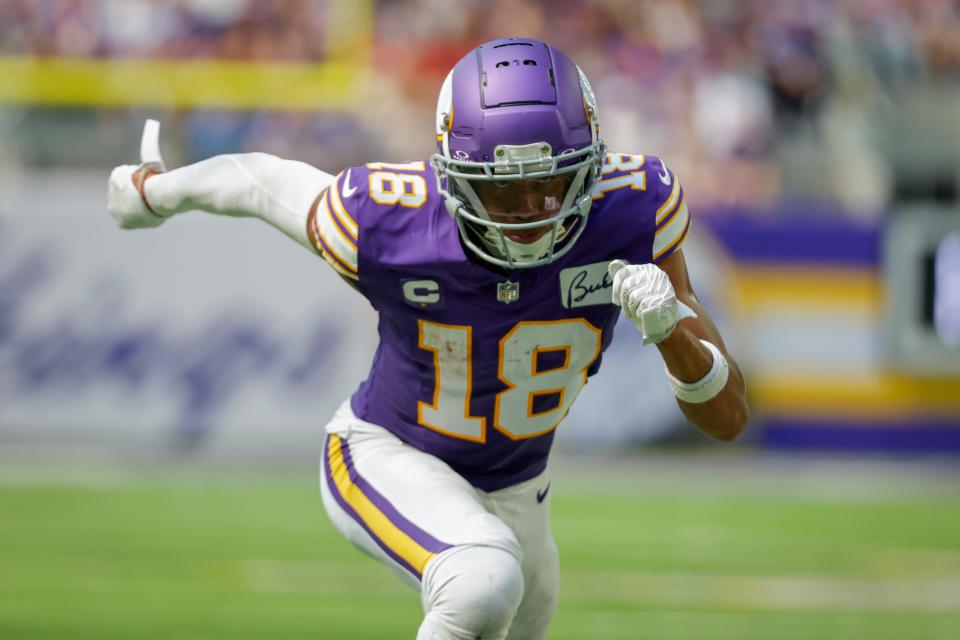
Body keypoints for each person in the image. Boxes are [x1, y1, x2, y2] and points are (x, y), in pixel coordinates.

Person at [107, 37, 748, 640]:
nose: (531, 213)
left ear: (590, 166)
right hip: (385, 452)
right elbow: (260, 180)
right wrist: (155, 192)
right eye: (503, 193)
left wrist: (670, 334)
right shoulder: (390, 220)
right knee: (482, 578)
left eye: (549, 184)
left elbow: (728, 419)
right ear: (455, 177)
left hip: (521, 488)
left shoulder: (634, 213)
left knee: (521, 607)